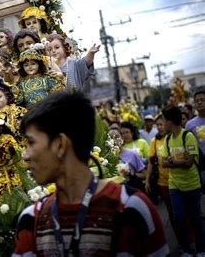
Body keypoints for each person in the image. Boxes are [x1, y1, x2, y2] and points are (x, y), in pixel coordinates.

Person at [12, 92, 168, 255]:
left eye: (31, 142)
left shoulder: (131, 209)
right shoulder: (31, 219)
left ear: (60, 145)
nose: (26, 155)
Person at [161, 105, 204, 255]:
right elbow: (163, 163)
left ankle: (201, 250)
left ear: (170, 122)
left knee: (195, 218)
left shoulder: (188, 136)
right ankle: (186, 249)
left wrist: (172, 161)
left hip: (192, 184)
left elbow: (189, 162)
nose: (162, 124)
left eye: (164, 121)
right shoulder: (167, 139)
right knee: (179, 218)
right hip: (175, 185)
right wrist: (177, 161)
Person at [145, 114, 179, 239]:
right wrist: (147, 180)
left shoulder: (175, 138)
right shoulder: (155, 141)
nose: (159, 127)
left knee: (182, 212)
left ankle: (191, 239)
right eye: (157, 125)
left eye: (162, 124)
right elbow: (150, 162)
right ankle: (181, 242)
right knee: (172, 213)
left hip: (179, 181)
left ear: (168, 124)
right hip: (163, 182)